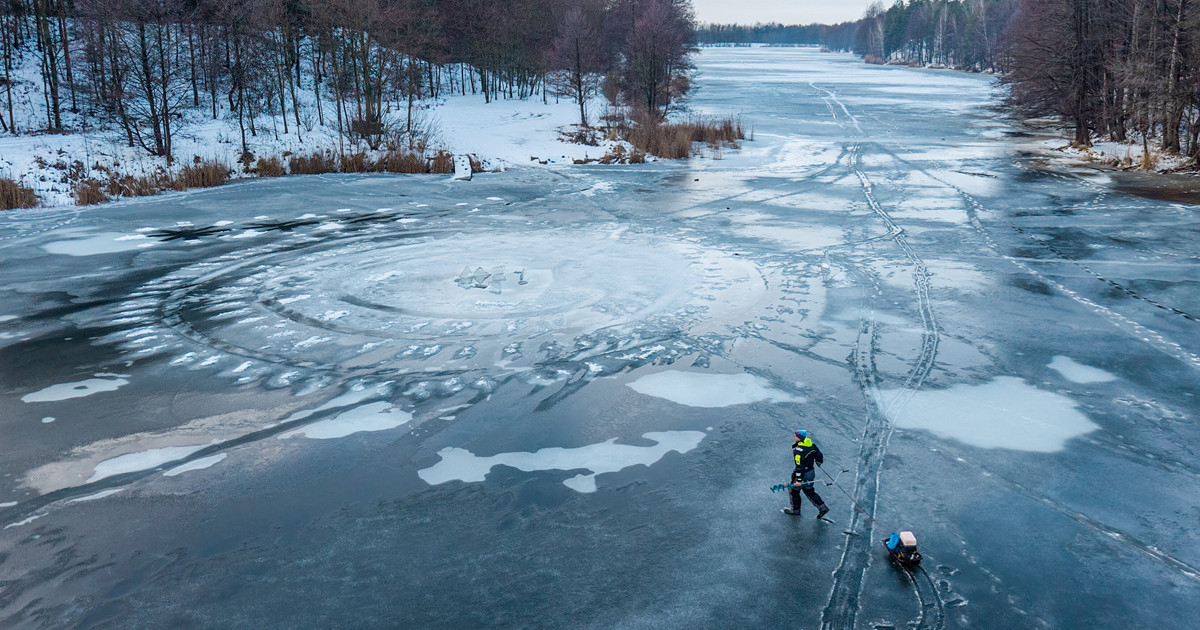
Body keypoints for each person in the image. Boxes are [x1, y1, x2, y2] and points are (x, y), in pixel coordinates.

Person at [784, 429, 829, 519]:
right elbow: (819, 455)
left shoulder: (798, 451)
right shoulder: (812, 445)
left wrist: (799, 480)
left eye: (795, 436)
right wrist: (819, 462)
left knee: (793, 491)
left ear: (799, 438)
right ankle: (822, 507)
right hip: (811, 473)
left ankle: (795, 511)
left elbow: (799, 466)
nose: (794, 437)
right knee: (809, 491)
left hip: (802, 474)